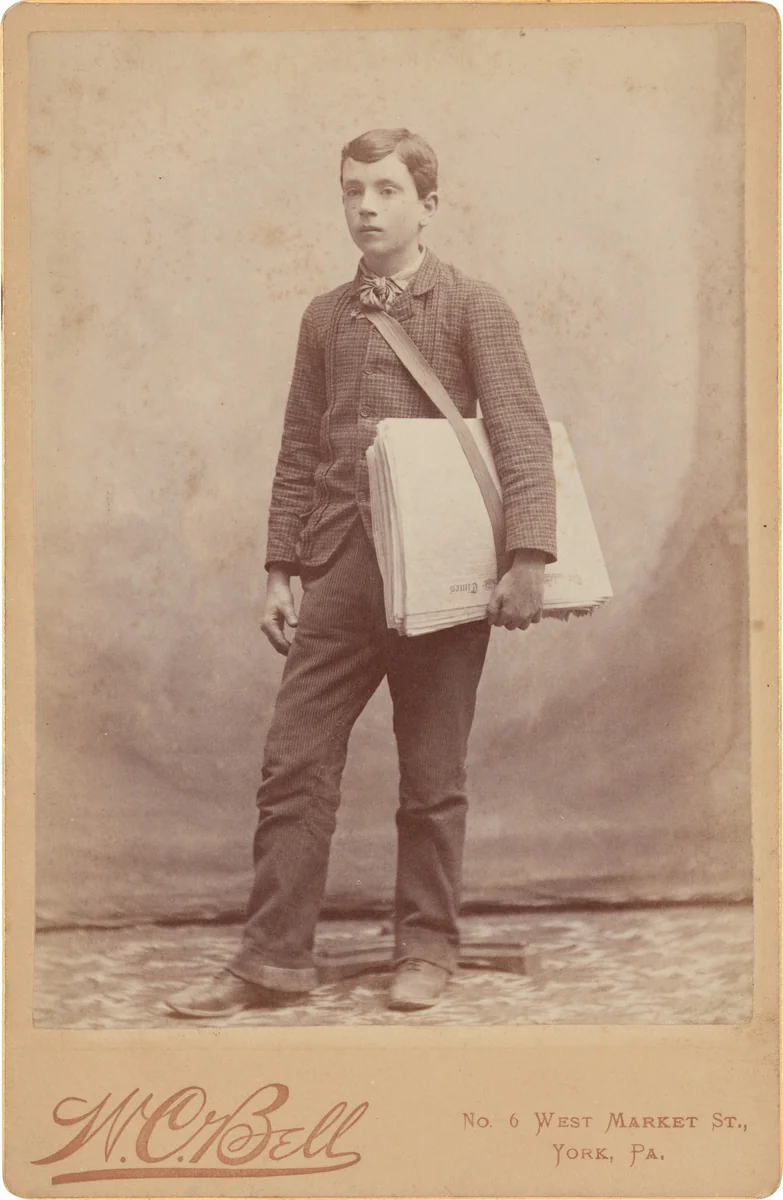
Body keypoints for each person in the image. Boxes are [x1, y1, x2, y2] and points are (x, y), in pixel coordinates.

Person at [167, 128, 556, 1018]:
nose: (367, 207)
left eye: (385, 190)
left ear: (427, 203)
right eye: (352, 191)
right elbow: (300, 446)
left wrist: (528, 555)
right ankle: (269, 962)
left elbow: (520, 430)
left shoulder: (473, 306)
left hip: (446, 574)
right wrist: (279, 566)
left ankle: (426, 948)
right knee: (294, 763)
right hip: (340, 566)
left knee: (431, 775)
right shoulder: (323, 317)